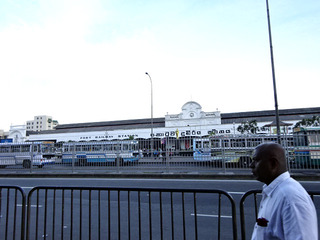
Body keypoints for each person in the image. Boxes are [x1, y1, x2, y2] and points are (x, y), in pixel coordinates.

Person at [250, 142, 318, 240]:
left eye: (256, 160)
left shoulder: (291, 198)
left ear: (273, 164)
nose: (251, 165)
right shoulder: (275, 191)